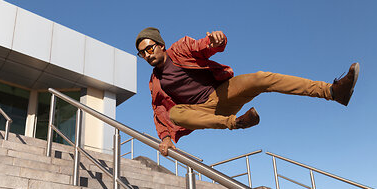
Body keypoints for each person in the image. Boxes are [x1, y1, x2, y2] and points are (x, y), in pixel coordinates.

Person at [135, 27, 359, 156]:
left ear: (160, 45)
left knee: (262, 78)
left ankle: (332, 91)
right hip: (204, 113)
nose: (147, 55)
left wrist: (215, 42)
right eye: (142, 54)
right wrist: (165, 138)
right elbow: (160, 113)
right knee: (175, 114)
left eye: (149, 48)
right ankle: (237, 123)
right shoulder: (155, 82)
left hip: (224, 93)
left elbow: (202, 46)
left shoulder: (180, 48)